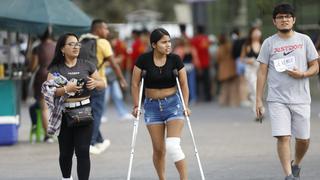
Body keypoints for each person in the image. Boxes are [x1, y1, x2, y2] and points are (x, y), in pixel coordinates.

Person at [256, 3, 319, 180]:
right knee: (283, 137)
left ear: (293, 20)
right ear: (274, 22)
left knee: (303, 139)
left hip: (301, 98)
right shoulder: (269, 43)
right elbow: (262, 72)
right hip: (277, 99)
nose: (284, 20)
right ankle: (288, 175)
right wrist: (259, 100)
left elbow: (315, 65)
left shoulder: (304, 40)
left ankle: (296, 163)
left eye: (287, 17)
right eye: (280, 17)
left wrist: (304, 74)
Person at [131, 28, 190, 180]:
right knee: (158, 150)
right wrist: (137, 105)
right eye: (164, 42)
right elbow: (135, 84)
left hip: (173, 105)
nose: (168, 45)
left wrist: (186, 105)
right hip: (152, 107)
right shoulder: (143, 60)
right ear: (154, 44)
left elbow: (183, 84)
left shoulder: (175, 59)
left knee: (173, 146)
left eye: (169, 41)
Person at [46, 33, 106, 180]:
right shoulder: (56, 68)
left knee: (83, 151)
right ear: (62, 49)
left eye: (77, 44)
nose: (76, 47)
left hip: (84, 112)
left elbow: (103, 83)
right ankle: (66, 178)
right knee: (66, 152)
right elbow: (49, 91)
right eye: (71, 44)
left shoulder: (87, 65)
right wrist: (67, 89)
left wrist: (95, 83)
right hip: (64, 113)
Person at [80, 19, 128, 154]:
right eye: (105, 29)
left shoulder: (81, 41)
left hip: (83, 82)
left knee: (90, 112)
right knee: (96, 112)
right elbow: (113, 63)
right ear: (98, 29)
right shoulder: (103, 42)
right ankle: (91, 142)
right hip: (98, 82)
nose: (107, 31)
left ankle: (99, 140)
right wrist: (121, 79)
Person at [29, 29, 56, 142]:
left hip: (42, 76)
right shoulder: (57, 46)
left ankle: (48, 136)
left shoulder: (37, 48)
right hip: (57, 76)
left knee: (44, 108)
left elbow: (33, 66)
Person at [240, 27, 262, 118]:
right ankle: (258, 111)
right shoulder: (247, 45)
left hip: (261, 70)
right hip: (250, 70)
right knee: (254, 89)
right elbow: (241, 59)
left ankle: (258, 109)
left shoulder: (263, 44)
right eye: (255, 33)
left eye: (258, 33)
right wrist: (247, 60)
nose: (257, 35)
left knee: (258, 91)